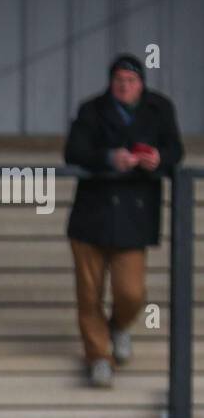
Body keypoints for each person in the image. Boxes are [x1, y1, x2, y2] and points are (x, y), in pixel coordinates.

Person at [63, 54, 183, 388]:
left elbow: (176, 150)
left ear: (141, 84)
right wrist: (109, 158)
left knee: (131, 292)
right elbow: (73, 151)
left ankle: (118, 326)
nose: (124, 86)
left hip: (134, 216)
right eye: (118, 81)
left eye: (130, 81)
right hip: (92, 215)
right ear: (110, 82)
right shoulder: (91, 110)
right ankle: (99, 356)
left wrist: (157, 159)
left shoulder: (159, 109)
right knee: (88, 295)